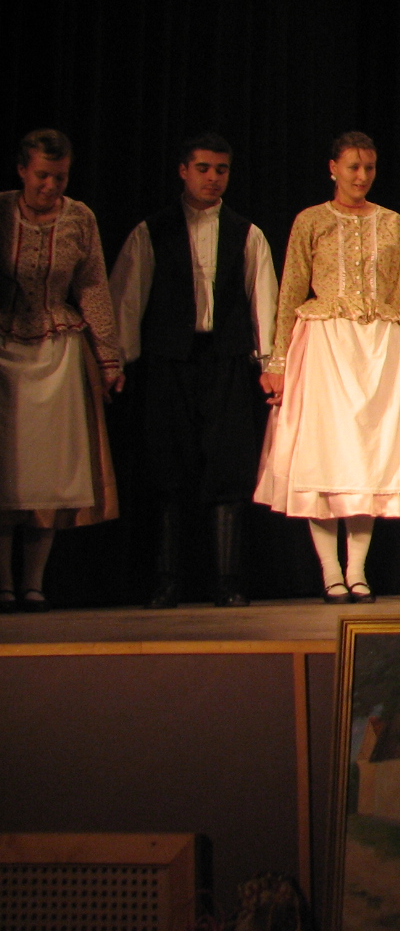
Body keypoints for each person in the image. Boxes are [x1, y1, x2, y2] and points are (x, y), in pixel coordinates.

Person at [255, 132, 400, 603]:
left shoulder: (391, 222)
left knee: (368, 459)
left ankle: (357, 570)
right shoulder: (311, 221)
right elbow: (291, 291)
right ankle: (330, 571)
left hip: (378, 348)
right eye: (353, 166)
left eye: (369, 167)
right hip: (326, 345)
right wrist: (277, 361)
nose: (362, 176)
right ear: (333, 168)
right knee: (326, 455)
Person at [111, 134, 279, 607]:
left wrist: (270, 362)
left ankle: (228, 581)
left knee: (228, 466)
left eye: (221, 169)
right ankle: (167, 581)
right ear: (183, 171)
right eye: (203, 168)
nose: (212, 178)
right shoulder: (153, 231)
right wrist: (118, 359)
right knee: (167, 467)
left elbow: (264, 300)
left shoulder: (246, 233)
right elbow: (127, 298)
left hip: (225, 360)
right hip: (169, 361)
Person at [0, 129, 122, 613]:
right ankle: (2, 583)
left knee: (45, 471)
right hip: (4, 346)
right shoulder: (2, 210)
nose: (51, 186)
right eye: (42, 176)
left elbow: (92, 286)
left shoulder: (79, 218)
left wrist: (108, 356)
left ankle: (33, 583)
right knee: (7, 468)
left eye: (60, 177)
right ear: (22, 171)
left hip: (56, 351)